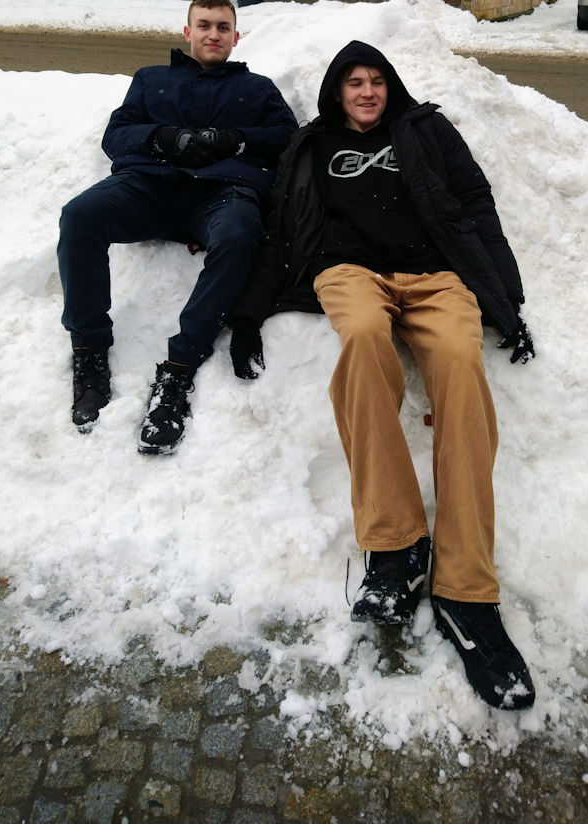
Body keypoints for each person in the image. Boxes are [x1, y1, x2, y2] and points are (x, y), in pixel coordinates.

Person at [229, 40, 536, 711]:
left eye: (375, 81)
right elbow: (281, 230)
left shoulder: (426, 130)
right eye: (353, 83)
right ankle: (396, 547)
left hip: (435, 276)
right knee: (365, 342)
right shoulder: (311, 146)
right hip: (349, 273)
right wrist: (248, 314)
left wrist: (505, 302)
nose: (366, 92)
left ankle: (466, 590)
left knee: (460, 366)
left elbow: (475, 205)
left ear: (389, 85)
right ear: (336, 92)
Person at [58, 0, 297, 455]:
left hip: (224, 191)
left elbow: (287, 138)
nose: (213, 34)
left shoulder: (258, 88)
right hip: (149, 186)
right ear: (188, 32)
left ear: (236, 36)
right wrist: (163, 137)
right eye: (204, 25)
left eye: (223, 27)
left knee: (239, 236)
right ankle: (89, 352)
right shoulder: (151, 79)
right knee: (79, 216)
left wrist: (233, 140)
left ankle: (179, 369)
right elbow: (116, 136)